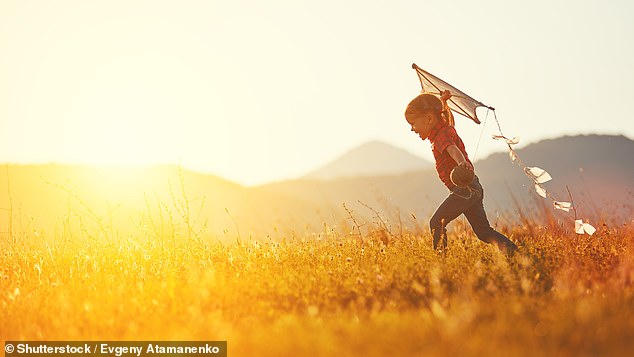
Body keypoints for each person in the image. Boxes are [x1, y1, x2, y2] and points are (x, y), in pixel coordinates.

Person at [405, 90, 518, 256]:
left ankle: (440, 261)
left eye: (413, 123)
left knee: (436, 223)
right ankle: (517, 254)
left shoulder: (440, 136)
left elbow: (453, 149)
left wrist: (462, 163)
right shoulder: (445, 129)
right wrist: (442, 102)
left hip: (465, 190)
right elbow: (446, 126)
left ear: (429, 119)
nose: (412, 129)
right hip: (473, 188)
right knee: (484, 232)